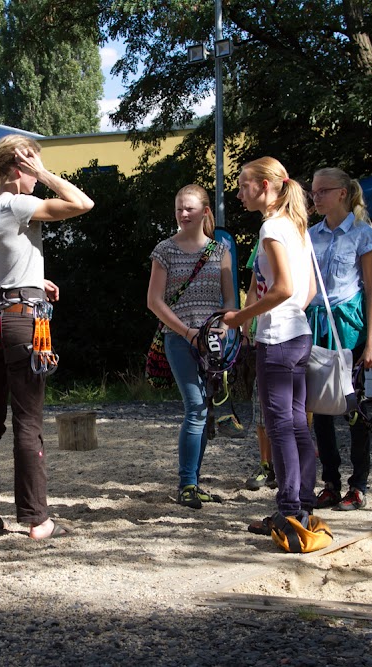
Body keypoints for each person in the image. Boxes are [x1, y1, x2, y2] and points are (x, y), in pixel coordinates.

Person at [0, 134, 94, 539]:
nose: (38, 180)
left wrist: (34, 278)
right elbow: (82, 203)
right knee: (27, 420)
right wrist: (44, 172)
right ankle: (36, 519)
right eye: (34, 170)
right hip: (25, 321)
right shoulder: (17, 202)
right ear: (19, 168)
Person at [221, 157, 316, 534]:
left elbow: (284, 288)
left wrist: (243, 318)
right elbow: (304, 291)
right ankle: (302, 504)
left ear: (265, 187)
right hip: (299, 333)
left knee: (280, 426)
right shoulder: (297, 226)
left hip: (277, 340)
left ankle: (290, 509)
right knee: (296, 423)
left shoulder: (272, 228)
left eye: (244, 184)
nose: (240, 191)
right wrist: (286, 312)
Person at [147, 184, 235, 509]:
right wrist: (187, 332)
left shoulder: (220, 251)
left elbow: (229, 301)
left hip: (211, 343)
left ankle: (193, 483)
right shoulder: (164, 251)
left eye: (190, 209)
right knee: (196, 407)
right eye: (179, 209)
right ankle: (187, 483)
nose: (183, 214)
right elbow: (153, 301)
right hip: (178, 339)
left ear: (205, 212)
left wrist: (223, 329)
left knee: (205, 410)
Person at [307, 167, 372, 512]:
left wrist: (370, 342)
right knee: (321, 407)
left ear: (341, 193)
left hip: (348, 325)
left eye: (322, 191)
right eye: (313, 191)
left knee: (354, 406)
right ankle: (330, 482)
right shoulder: (310, 235)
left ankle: (359, 484)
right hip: (317, 323)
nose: (315, 197)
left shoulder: (363, 234)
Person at [240, 242, 276, 492]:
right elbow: (254, 287)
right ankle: (265, 465)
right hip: (261, 335)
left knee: (289, 408)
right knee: (260, 403)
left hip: (287, 333)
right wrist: (245, 325)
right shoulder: (261, 241)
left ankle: (283, 466)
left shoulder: (299, 237)